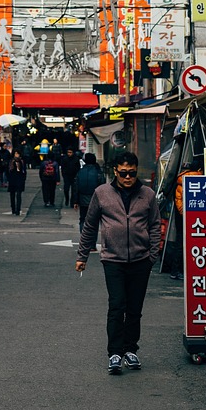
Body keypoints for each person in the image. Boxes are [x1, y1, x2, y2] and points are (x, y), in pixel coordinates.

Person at [75, 150, 162, 374]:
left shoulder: (148, 195)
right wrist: (82, 256)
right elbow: (90, 225)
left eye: (131, 174)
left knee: (135, 309)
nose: (127, 178)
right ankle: (115, 353)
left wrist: (152, 255)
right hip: (113, 260)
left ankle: (131, 349)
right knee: (117, 306)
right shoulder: (102, 193)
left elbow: (154, 225)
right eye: (123, 173)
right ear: (115, 171)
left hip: (141, 260)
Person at [73, 152, 105, 230]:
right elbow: (102, 187)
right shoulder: (98, 172)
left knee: (83, 219)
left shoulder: (80, 172)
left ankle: (83, 236)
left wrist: (75, 201)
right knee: (94, 220)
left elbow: (76, 187)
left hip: (82, 199)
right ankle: (91, 238)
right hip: (95, 199)